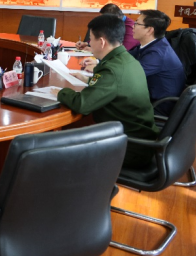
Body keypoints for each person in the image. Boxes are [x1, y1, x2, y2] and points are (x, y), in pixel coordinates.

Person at [56, 14, 159, 168]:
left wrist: (60, 92)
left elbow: (82, 104)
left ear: (102, 42)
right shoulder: (126, 59)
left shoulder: (111, 70)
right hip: (138, 138)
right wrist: (89, 81)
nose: (89, 43)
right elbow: (114, 86)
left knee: (60, 151)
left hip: (128, 147)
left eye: (91, 39)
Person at [127, 10, 186, 116]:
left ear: (149, 30)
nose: (132, 26)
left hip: (158, 106)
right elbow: (125, 57)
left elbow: (128, 76)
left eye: (137, 23)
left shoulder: (157, 54)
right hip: (149, 97)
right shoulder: (154, 44)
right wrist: (100, 60)